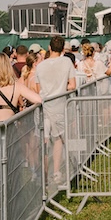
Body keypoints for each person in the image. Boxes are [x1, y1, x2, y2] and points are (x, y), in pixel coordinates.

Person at [33, 35, 76, 188]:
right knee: (58, 140)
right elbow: (72, 85)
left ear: (50, 48)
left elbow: (38, 90)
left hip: (44, 105)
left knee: (44, 141)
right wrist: (61, 89)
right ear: (63, 49)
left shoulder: (40, 66)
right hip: (59, 104)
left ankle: (44, 175)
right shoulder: (67, 62)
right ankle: (56, 171)